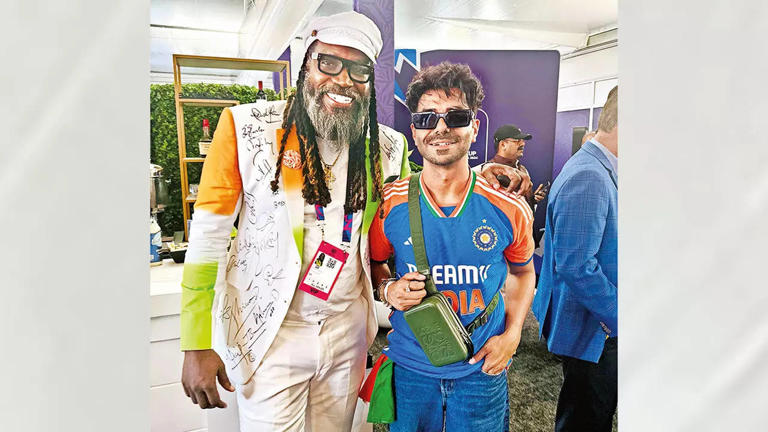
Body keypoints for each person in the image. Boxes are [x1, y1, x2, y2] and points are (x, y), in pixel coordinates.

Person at [179, 11, 531, 431]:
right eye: (329, 62)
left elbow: (415, 201)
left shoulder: (387, 145)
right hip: (270, 332)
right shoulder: (245, 128)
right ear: (306, 63)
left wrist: (482, 177)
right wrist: (195, 342)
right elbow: (208, 239)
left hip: (347, 333)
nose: (343, 79)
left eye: (359, 69)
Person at [368, 62, 537, 432]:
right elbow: (375, 263)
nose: (441, 128)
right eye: (427, 118)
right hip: (411, 368)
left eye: (456, 116)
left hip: (482, 369)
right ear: (414, 130)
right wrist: (388, 289)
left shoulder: (508, 207)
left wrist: (512, 335)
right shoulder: (390, 204)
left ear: (474, 127)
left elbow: (524, 271)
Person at [532, 86, 618, 432]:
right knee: (586, 419)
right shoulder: (590, 175)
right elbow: (576, 266)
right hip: (594, 330)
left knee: (588, 415)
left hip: (595, 325)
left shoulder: (596, 168)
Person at [482, 124, 549, 209]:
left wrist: (532, 199)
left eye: (523, 140)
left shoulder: (522, 169)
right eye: (517, 140)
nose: (523, 143)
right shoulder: (488, 172)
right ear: (503, 145)